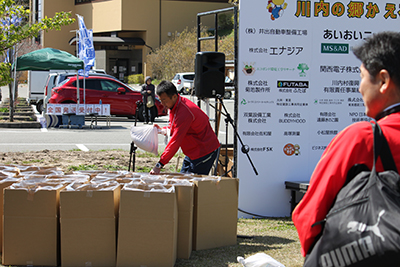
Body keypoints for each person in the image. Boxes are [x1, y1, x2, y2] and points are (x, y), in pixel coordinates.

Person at [292, 31, 400, 257]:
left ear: (383, 81)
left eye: (361, 77)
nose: (360, 88)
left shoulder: (362, 139)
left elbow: (310, 217)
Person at [150, 80, 220, 175]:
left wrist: (159, 164)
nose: (162, 103)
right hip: (192, 153)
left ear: (174, 96)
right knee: (182, 182)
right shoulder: (174, 105)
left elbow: (176, 141)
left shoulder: (184, 112)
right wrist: (162, 130)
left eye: (164, 100)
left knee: (192, 186)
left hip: (204, 152)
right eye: (160, 100)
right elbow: (174, 125)